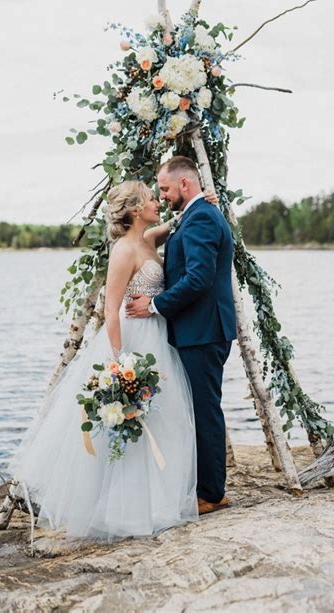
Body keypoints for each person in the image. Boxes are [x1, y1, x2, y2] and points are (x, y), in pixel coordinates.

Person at [8, 180, 217, 542]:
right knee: (131, 423)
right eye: (152, 199)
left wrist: (203, 201)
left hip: (158, 338)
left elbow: (181, 222)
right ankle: (123, 508)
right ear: (136, 209)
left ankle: (158, 503)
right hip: (133, 341)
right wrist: (119, 360)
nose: (157, 202)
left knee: (164, 419)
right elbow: (111, 307)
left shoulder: (148, 239)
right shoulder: (123, 249)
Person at [126, 156, 237, 515]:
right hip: (196, 330)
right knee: (197, 409)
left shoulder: (202, 216)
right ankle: (202, 486)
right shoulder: (194, 214)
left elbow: (199, 278)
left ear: (185, 185)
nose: (163, 194)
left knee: (204, 411)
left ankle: (212, 493)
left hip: (203, 332)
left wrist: (154, 306)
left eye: (165, 188)